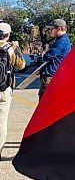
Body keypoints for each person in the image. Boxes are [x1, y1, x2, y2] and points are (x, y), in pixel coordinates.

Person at [0, 22, 25, 160]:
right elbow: (22, 66)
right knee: (1, 121)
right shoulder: (10, 48)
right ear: (7, 35)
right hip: (4, 89)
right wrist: (17, 48)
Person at [39, 19, 71, 99]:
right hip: (53, 75)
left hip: (50, 76)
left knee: (44, 102)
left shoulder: (62, 41)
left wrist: (44, 53)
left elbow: (48, 56)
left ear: (59, 29)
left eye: (51, 29)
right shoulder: (61, 40)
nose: (50, 31)